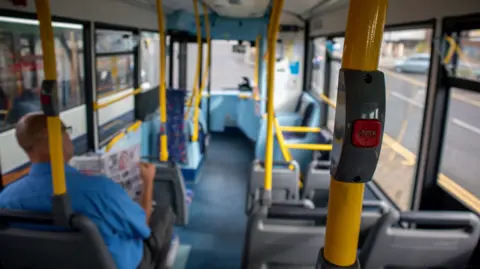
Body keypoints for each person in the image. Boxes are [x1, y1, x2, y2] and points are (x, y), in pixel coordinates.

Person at [0, 112, 174, 269]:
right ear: (53, 136)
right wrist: (148, 181)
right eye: (65, 130)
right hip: (117, 264)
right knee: (163, 213)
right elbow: (142, 226)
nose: (69, 136)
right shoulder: (100, 190)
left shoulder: (5, 200)